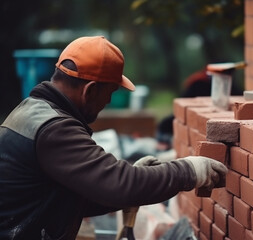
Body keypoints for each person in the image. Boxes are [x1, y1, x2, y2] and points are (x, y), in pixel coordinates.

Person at [0, 36, 227, 239]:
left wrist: (139, 177)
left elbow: (74, 197)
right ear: (90, 90)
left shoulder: (33, 111)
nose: (107, 102)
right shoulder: (55, 129)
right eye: (109, 93)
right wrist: (189, 171)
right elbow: (120, 185)